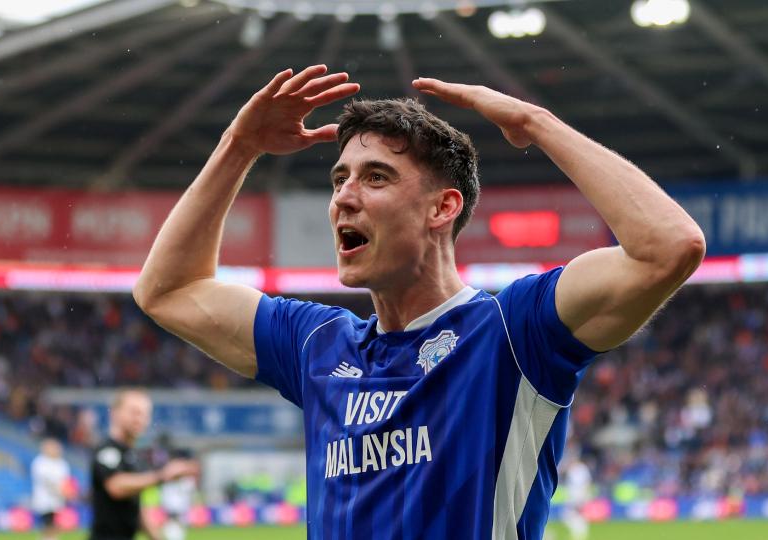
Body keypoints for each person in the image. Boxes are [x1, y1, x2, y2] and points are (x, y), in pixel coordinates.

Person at [133, 65, 705, 538]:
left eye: (375, 178)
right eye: (339, 179)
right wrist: (239, 146)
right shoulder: (317, 344)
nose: (344, 198)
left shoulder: (514, 332)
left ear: (442, 208)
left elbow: (667, 248)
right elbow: (167, 289)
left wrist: (536, 122)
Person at [89, 389, 197, 540]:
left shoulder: (134, 456)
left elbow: (136, 510)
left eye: (145, 414)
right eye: (134, 412)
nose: (140, 419)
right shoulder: (107, 450)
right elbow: (116, 486)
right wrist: (163, 475)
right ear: (115, 413)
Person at [31, 438, 71, 540]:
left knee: (56, 526)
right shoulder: (40, 463)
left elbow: (66, 481)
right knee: (48, 525)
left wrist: (67, 492)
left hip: (59, 500)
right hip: (45, 501)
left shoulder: (62, 463)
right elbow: (47, 482)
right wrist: (60, 490)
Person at [562, 455, 592, 540]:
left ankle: (580, 533)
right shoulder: (571, 469)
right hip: (572, 494)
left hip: (579, 493)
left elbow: (587, 482)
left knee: (575, 514)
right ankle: (579, 533)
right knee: (571, 515)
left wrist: (584, 495)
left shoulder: (582, 468)